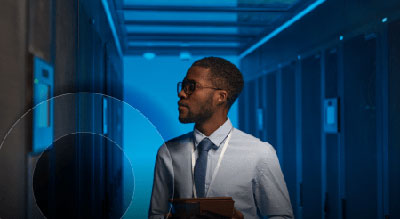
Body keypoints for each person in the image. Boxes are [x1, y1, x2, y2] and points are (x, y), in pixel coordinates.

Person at [149, 57, 293, 219]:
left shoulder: (260, 153)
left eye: (191, 87)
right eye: (183, 87)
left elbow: (282, 216)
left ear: (221, 97)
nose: (182, 93)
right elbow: (156, 214)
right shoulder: (167, 152)